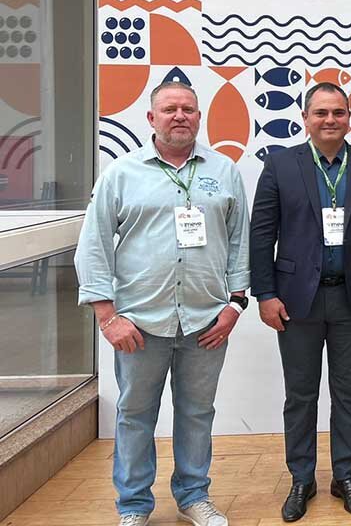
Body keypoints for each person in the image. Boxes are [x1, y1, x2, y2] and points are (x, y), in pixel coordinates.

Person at [75, 81, 249, 526]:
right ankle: (134, 505)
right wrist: (107, 316)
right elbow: (93, 245)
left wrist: (235, 305)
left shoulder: (224, 171)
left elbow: (240, 244)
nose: (180, 116)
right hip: (139, 323)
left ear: (199, 117)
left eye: (188, 109)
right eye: (170, 109)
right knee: (135, 415)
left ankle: (193, 497)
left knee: (197, 413)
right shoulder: (121, 173)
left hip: (206, 322)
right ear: (151, 118)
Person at [249, 82, 351, 519]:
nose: (330, 120)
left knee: (349, 392)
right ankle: (302, 478)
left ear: (349, 118)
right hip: (296, 301)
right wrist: (265, 293)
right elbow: (262, 233)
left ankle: (344, 475)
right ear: (306, 118)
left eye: (338, 112)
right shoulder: (280, 164)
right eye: (321, 113)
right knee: (300, 395)